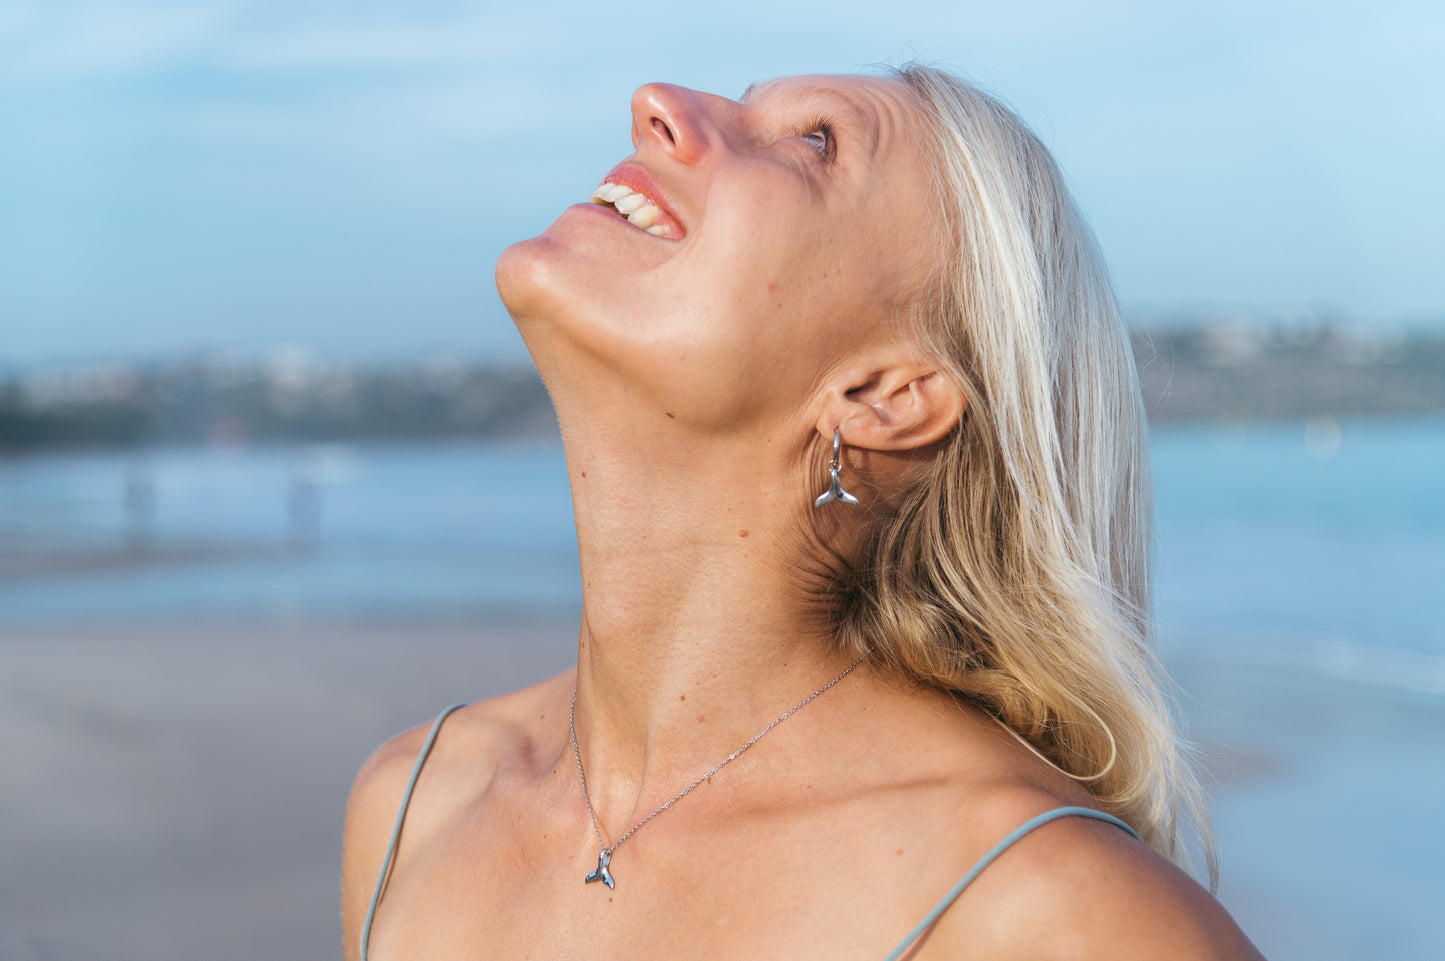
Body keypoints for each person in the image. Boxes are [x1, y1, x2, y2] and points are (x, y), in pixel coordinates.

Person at [341, 66, 1265, 959]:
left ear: (883, 395)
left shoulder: (1056, 918)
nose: (657, 103)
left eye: (814, 143)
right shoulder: (413, 805)